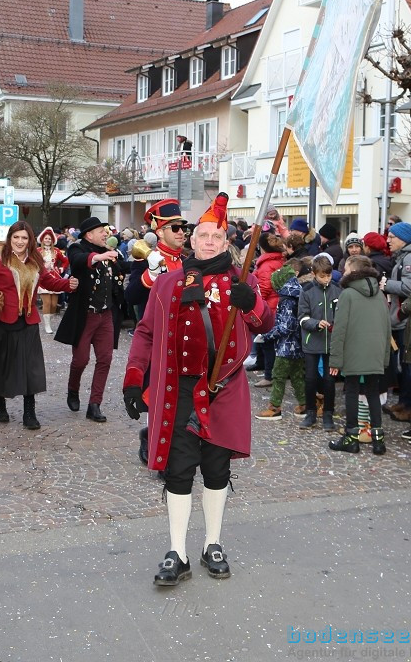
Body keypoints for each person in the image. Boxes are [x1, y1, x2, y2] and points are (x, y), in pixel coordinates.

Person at [122, 192, 274, 586]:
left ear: (226, 243)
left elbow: (265, 323)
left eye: (217, 237)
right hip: (180, 390)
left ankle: (213, 543)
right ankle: (178, 551)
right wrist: (135, 377)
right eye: (203, 235)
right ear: (191, 239)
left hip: (224, 390)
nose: (209, 242)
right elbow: (145, 332)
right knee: (178, 471)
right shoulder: (169, 282)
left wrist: (250, 304)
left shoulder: (243, 282)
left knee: (216, 470)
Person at [0, 220, 78, 428]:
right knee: (0, 365)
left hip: (28, 320)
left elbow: (49, 282)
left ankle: (29, 412)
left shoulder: (35, 259)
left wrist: (67, 284)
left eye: (24, 238)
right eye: (16, 237)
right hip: (2, 320)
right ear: (10, 238)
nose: (20, 241)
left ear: (30, 240)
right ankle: (0, 405)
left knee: (30, 369)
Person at [55, 217, 122, 423]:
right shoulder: (77, 248)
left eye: (106, 231)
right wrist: (100, 257)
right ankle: (73, 389)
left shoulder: (110, 253)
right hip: (85, 315)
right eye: (102, 231)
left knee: (105, 359)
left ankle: (95, 404)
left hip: (106, 315)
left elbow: (120, 274)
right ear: (89, 234)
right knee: (81, 360)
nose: (106, 234)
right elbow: (78, 261)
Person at [327, 255, 394, 455]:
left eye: (346, 269)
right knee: (373, 392)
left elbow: (340, 329)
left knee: (352, 392)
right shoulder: (380, 294)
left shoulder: (347, 294)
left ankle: (351, 437)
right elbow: (387, 327)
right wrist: (384, 358)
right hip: (375, 351)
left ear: (354, 272)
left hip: (353, 351)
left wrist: (335, 359)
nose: (344, 272)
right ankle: (378, 439)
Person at [255, 258, 309, 421]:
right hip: (298, 344)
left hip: (286, 346)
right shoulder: (298, 294)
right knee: (297, 376)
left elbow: (286, 326)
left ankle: (275, 408)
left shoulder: (286, 300)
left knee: (278, 376)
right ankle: (305, 404)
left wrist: (266, 335)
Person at [298, 255, 341, 430]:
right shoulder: (306, 290)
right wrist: (316, 323)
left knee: (330, 380)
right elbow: (302, 317)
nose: (326, 279)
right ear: (314, 274)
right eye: (322, 276)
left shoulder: (338, 290)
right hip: (312, 341)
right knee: (310, 378)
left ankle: (328, 413)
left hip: (331, 342)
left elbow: (342, 314)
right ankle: (310, 412)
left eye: (328, 275)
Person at [383, 222, 411, 421]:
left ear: (403, 239)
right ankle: (403, 403)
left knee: (407, 366)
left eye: (392, 237)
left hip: (406, 319)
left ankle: (409, 407)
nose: (388, 240)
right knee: (403, 366)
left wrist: (387, 284)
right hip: (399, 317)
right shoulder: (403, 257)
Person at [252, 232, 286, 387]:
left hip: (269, 307)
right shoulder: (279, 260)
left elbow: (264, 288)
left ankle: (269, 375)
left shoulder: (266, 265)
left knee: (267, 342)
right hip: (277, 305)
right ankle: (264, 367)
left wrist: (258, 307)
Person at [140, 198, 189, 290]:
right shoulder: (145, 261)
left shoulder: (187, 260)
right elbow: (131, 297)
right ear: (160, 233)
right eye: (175, 228)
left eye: (183, 228)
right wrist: (152, 272)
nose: (181, 232)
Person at [36, 227, 69, 334]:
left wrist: (61, 268)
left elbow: (65, 261)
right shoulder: (37, 251)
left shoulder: (57, 251)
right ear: (42, 239)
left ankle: (48, 321)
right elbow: (32, 262)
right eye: (46, 238)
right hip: (43, 278)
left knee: (54, 305)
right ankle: (47, 325)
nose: (47, 240)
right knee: (47, 303)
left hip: (54, 278)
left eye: (49, 239)